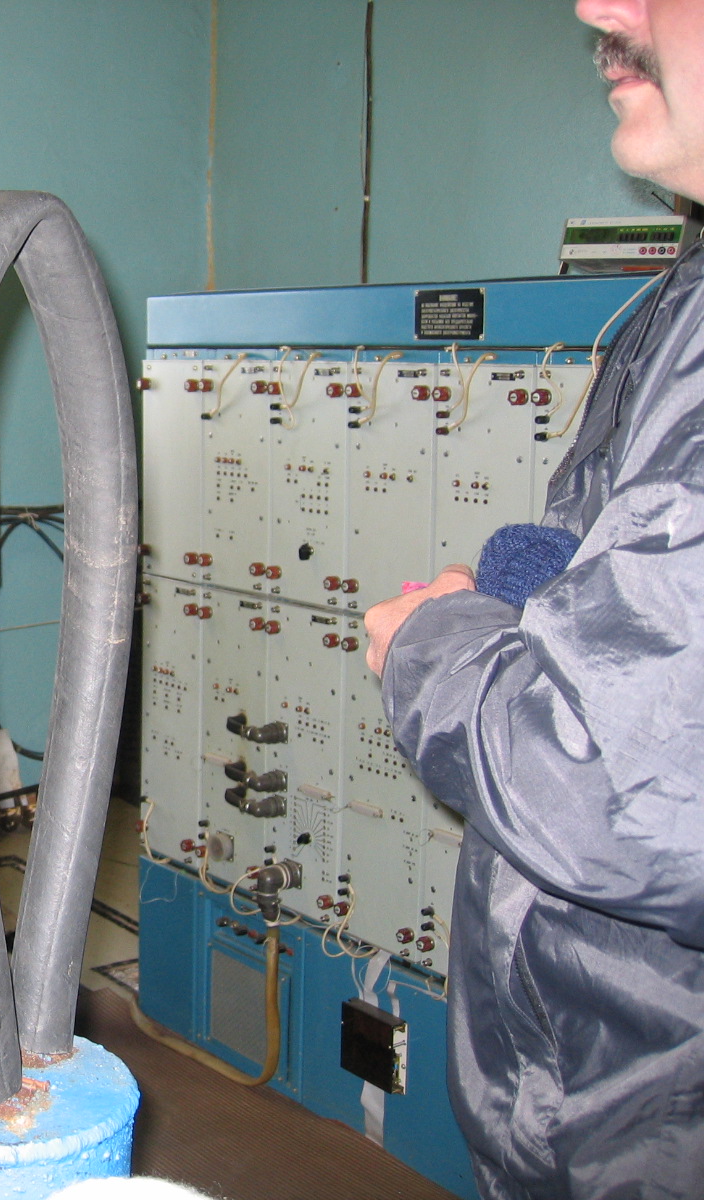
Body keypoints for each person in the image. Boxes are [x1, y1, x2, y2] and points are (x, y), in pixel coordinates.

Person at [364, 3, 704, 1196]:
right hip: (590, 1093)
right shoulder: (679, 301)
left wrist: (432, 639)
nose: (597, 9)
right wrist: (516, 594)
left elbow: (612, 780)